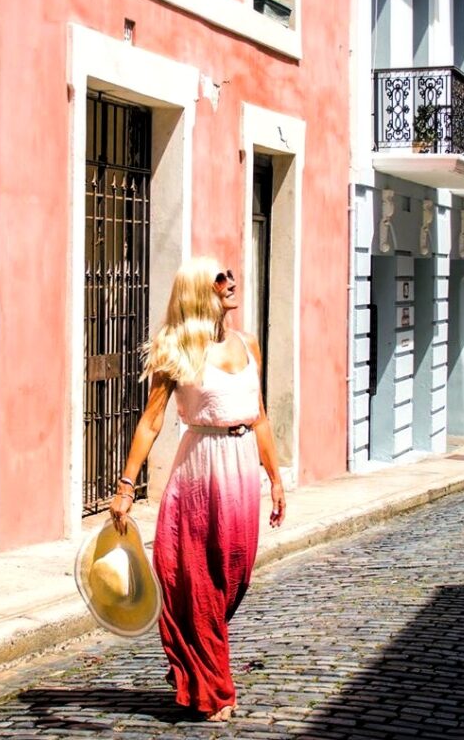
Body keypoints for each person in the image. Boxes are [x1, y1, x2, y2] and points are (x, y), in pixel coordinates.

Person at [109, 256, 286, 723]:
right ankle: (213, 689)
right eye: (220, 279)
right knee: (197, 584)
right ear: (197, 293)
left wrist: (275, 475)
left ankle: (194, 654)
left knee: (235, 575)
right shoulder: (177, 349)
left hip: (242, 469)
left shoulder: (248, 344)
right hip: (198, 474)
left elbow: (260, 414)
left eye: (230, 274)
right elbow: (151, 422)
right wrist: (126, 487)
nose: (231, 282)